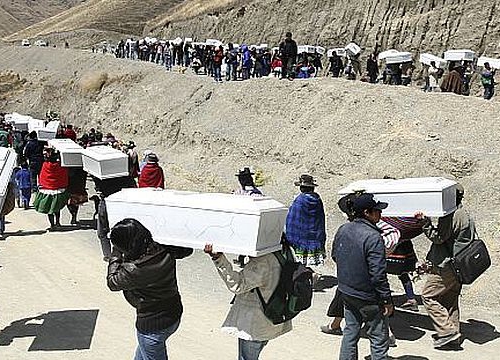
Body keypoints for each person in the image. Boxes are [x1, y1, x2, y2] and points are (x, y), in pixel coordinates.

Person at [107, 218, 193, 360]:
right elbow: (186, 250)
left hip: (152, 325)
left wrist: (115, 254)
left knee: (148, 350)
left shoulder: (133, 269)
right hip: (173, 313)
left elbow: (112, 282)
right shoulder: (164, 249)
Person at [204, 243, 292, 360]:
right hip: (271, 318)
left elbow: (237, 284)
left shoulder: (262, 262)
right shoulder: (282, 250)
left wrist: (218, 258)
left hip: (255, 324)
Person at [333, 193, 393, 360]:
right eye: (377, 211)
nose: (380, 214)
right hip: (369, 297)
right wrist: (387, 300)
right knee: (378, 338)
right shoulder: (374, 237)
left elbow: (335, 256)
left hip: (347, 292)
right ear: (367, 212)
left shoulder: (343, 229)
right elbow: (378, 274)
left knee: (350, 332)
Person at [415, 184, 471, 349]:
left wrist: (425, 222)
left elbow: (438, 238)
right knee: (450, 300)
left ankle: (447, 332)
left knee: (428, 296)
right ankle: (454, 337)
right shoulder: (464, 213)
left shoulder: (450, 215)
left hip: (446, 266)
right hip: (459, 266)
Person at [285, 174, 326, 271]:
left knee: (300, 261)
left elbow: (293, 218)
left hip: (301, 236)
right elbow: (320, 218)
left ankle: (304, 276)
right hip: (315, 235)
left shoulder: (300, 200)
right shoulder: (317, 199)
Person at [94, 175, 137, 261]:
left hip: (106, 202)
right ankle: (121, 254)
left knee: (102, 231)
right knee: (122, 229)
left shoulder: (104, 174)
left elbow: (98, 187)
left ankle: (108, 256)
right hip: (122, 203)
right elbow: (133, 186)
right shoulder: (125, 174)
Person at [33, 148, 69, 231]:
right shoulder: (59, 165)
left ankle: (52, 225)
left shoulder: (45, 165)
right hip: (58, 189)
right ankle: (58, 223)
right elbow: (64, 174)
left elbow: (42, 176)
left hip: (47, 190)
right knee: (57, 208)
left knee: (50, 210)